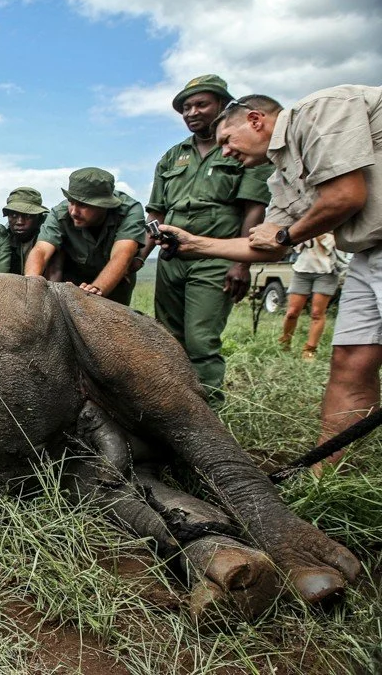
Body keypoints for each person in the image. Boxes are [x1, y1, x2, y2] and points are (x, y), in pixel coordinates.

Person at [162, 86, 381, 471]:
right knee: (351, 360)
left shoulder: (319, 111)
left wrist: (284, 235)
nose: (225, 151)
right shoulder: (282, 176)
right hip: (366, 251)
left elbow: (346, 196)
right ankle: (326, 473)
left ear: (255, 120)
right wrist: (195, 244)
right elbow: (267, 247)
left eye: (227, 140)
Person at [138, 75, 272, 402]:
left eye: (201, 104)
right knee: (167, 338)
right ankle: (172, 406)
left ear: (223, 106)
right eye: (186, 107)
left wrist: (241, 264)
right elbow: (156, 213)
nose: (192, 112)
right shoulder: (172, 156)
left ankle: (209, 413)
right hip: (172, 260)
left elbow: (253, 209)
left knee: (200, 341)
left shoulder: (244, 149)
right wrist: (140, 257)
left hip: (216, 259)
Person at [25, 167, 146, 305]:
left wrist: (96, 289)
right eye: (71, 201)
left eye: (83, 205)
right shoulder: (60, 213)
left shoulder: (130, 210)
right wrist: (31, 284)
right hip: (73, 280)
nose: (74, 212)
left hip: (114, 279)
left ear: (104, 205)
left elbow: (122, 255)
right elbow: (41, 250)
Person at [280, 233, 341, 360]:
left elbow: (335, 247)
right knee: (292, 312)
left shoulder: (336, 226)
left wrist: (321, 233)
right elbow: (295, 245)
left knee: (317, 313)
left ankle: (310, 349)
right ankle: (285, 343)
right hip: (302, 270)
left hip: (327, 272)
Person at [2, 186, 49, 274]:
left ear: (39, 216)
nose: (20, 222)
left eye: (27, 216)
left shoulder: (51, 238)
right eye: (14, 215)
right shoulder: (3, 237)